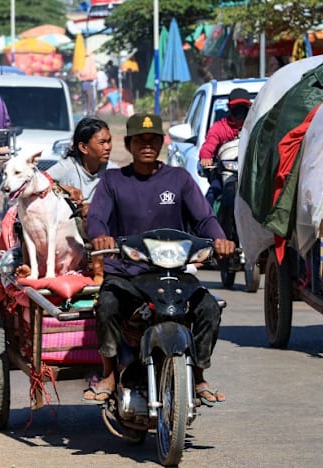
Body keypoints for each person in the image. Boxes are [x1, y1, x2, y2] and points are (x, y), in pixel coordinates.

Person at [83, 113, 235, 404]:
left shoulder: (179, 179)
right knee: (107, 304)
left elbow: (204, 218)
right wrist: (100, 236)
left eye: (153, 139)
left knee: (209, 309)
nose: (147, 145)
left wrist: (219, 239)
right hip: (127, 273)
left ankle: (199, 376)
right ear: (129, 144)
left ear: (162, 143)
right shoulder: (114, 181)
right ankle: (108, 374)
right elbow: (97, 219)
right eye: (140, 140)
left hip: (173, 272)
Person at [46, 116, 114, 209]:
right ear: (83, 148)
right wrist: (64, 189)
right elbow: (38, 183)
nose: (108, 147)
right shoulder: (67, 167)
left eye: (109, 141)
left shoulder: (113, 172)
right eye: (102, 142)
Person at [198, 88, 252, 204]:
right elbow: (209, 145)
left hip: (251, 173)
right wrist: (205, 157)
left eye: (243, 107)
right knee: (211, 197)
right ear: (229, 108)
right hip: (224, 174)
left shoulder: (255, 126)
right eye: (236, 108)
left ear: (250, 107)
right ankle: (208, 221)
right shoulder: (219, 128)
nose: (240, 112)